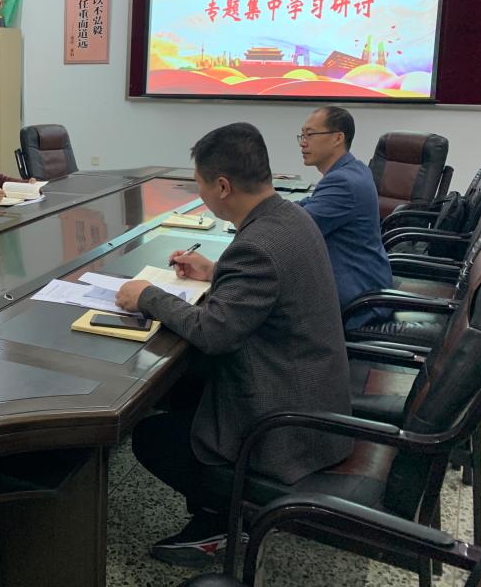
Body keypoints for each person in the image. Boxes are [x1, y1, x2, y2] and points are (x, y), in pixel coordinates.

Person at [115, 122, 352, 565]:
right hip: (316, 395)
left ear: (222, 187)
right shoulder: (289, 216)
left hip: (286, 427)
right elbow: (267, 285)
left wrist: (147, 296)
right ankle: (217, 508)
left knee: (150, 436)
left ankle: (224, 524)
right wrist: (215, 272)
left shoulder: (257, 246)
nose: (201, 192)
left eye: (201, 184)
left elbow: (213, 333)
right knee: (185, 386)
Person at [297, 106, 393, 329]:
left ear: (337, 138)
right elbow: (306, 207)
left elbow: (296, 228)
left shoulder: (343, 182)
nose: (303, 143)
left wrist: (255, 208)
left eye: (310, 134)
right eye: (301, 136)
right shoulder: (354, 169)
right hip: (362, 285)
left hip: (356, 303)